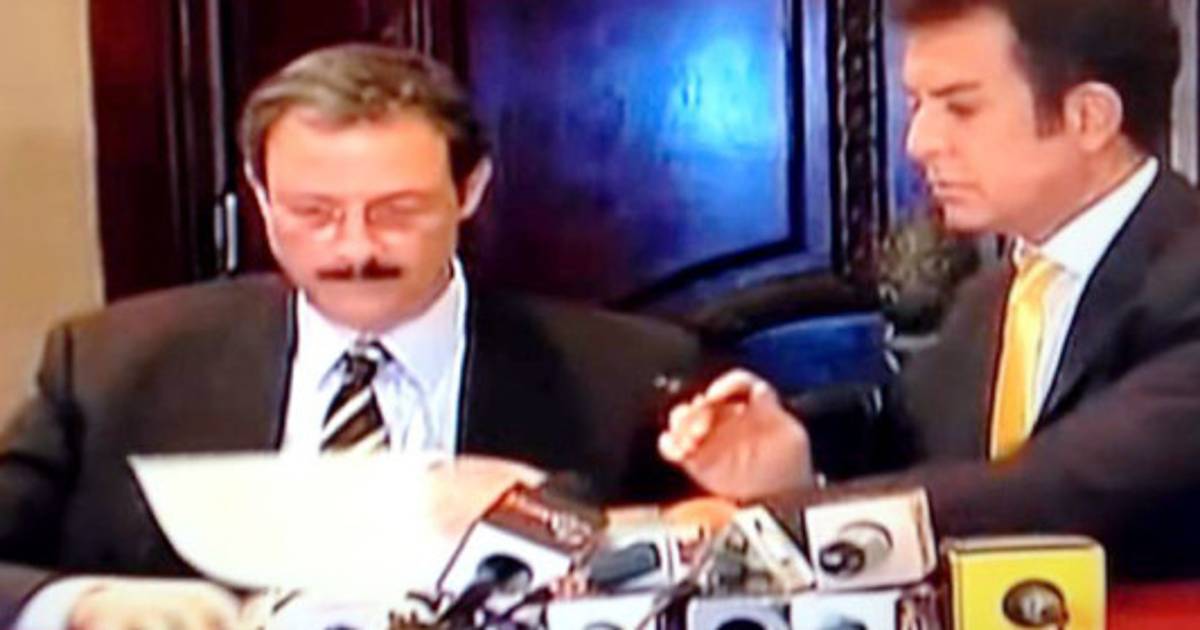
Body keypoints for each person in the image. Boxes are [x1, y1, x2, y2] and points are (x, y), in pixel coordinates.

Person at [0, 44, 700, 628]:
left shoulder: (624, 372)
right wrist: (81, 606)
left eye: (398, 211)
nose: (356, 248)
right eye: (314, 212)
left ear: (470, 190)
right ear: (261, 198)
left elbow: (720, 559)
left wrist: (555, 520)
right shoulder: (112, 362)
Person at [660, 0, 1200, 580]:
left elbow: (1054, 491)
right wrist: (791, 456)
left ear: (1089, 117)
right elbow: (908, 439)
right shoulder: (988, 297)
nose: (919, 142)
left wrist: (775, 521)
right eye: (918, 105)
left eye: (960, 108)